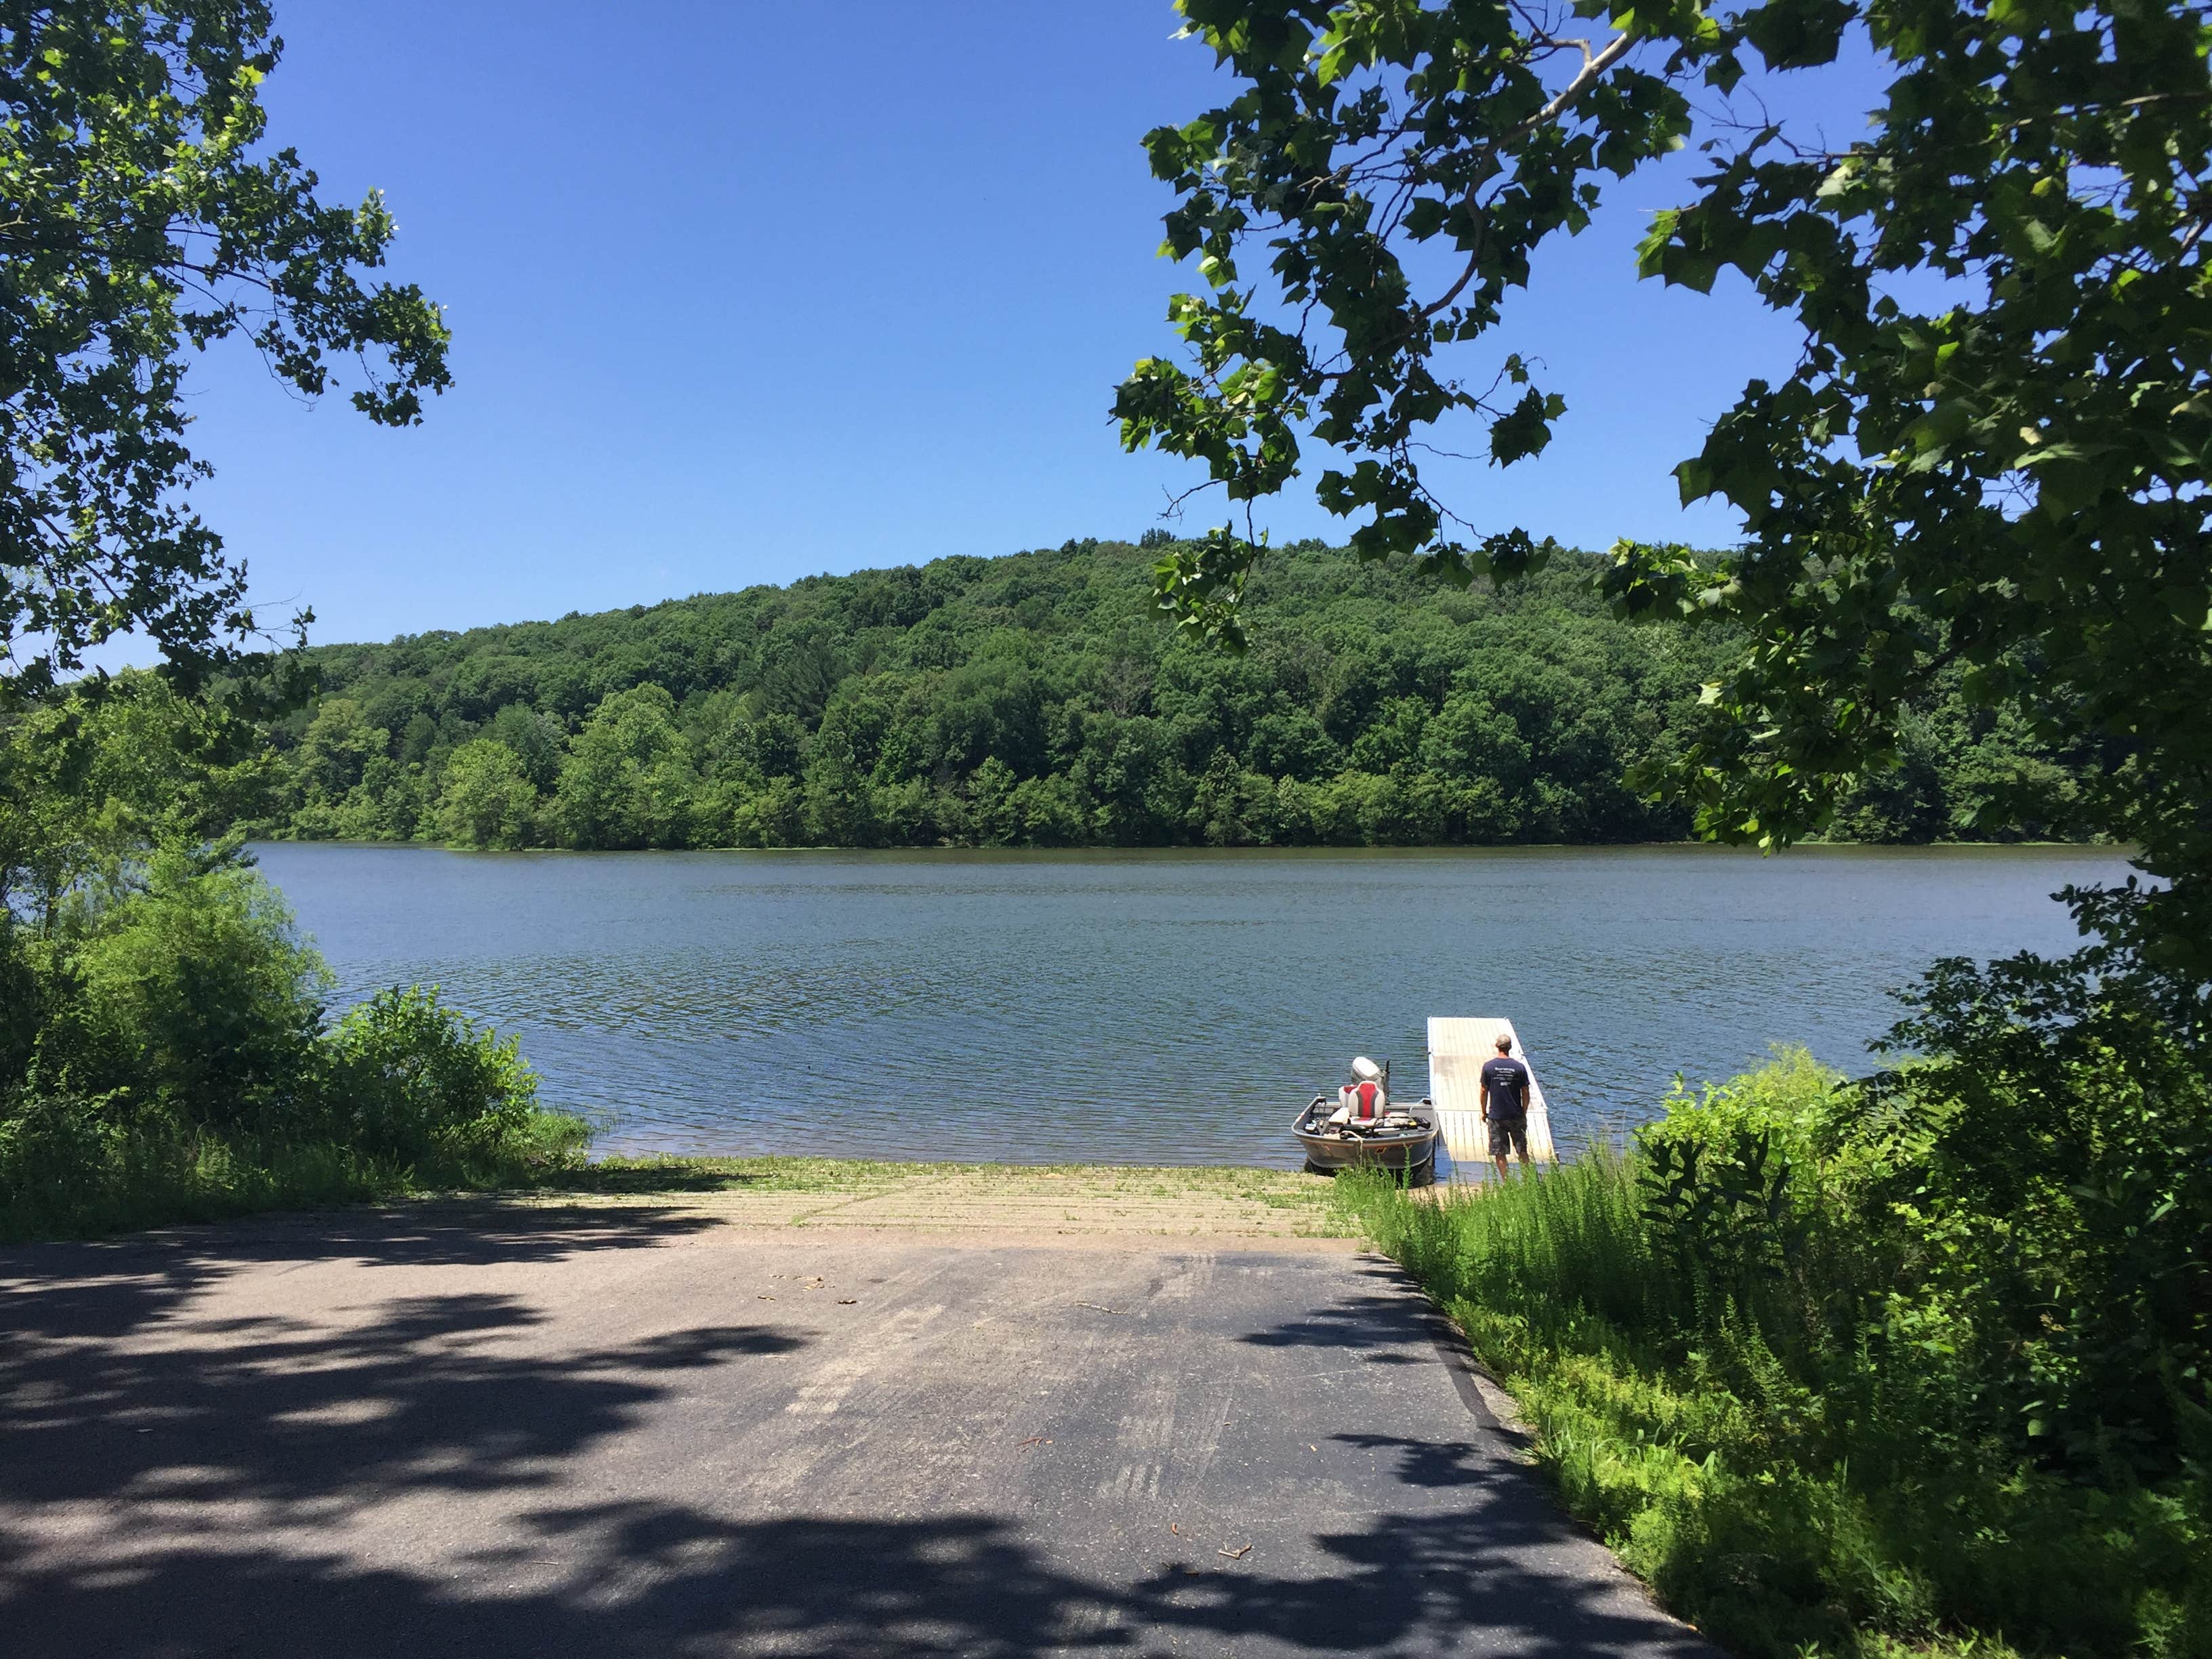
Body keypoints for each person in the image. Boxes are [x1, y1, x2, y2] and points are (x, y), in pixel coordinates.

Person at [1479, 1033, 1532, 1179]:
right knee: (1522, 1150)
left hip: (1496, 1116)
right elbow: (1526, 1091)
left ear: (1497, 1046)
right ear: (1510, 1047)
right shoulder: (1519, 1067)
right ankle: (1529, 1181)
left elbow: (1484, 1091)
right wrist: (1524, 1111)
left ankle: (1507, 1183)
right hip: (1516, 1115)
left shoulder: (1488, 1067)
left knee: (1499, 1151)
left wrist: (1483, 1112)